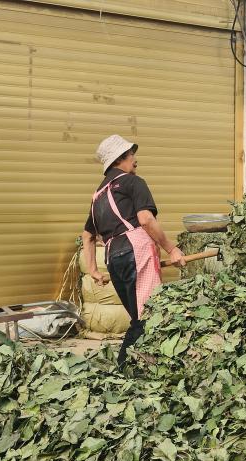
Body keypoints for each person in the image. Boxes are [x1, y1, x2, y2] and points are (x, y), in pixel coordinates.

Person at [82, 135, 185, 367]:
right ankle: (125, 369)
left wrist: (92, 270)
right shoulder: (133, 182)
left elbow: (87, 236)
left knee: (139, 316)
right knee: (148, 318)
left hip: (112, 257)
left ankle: (141, 365)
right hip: (136, 250)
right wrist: (172, 249)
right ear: (120, 159)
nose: (135, 160)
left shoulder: (97, 196)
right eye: (131, 155)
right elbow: (146, 219)